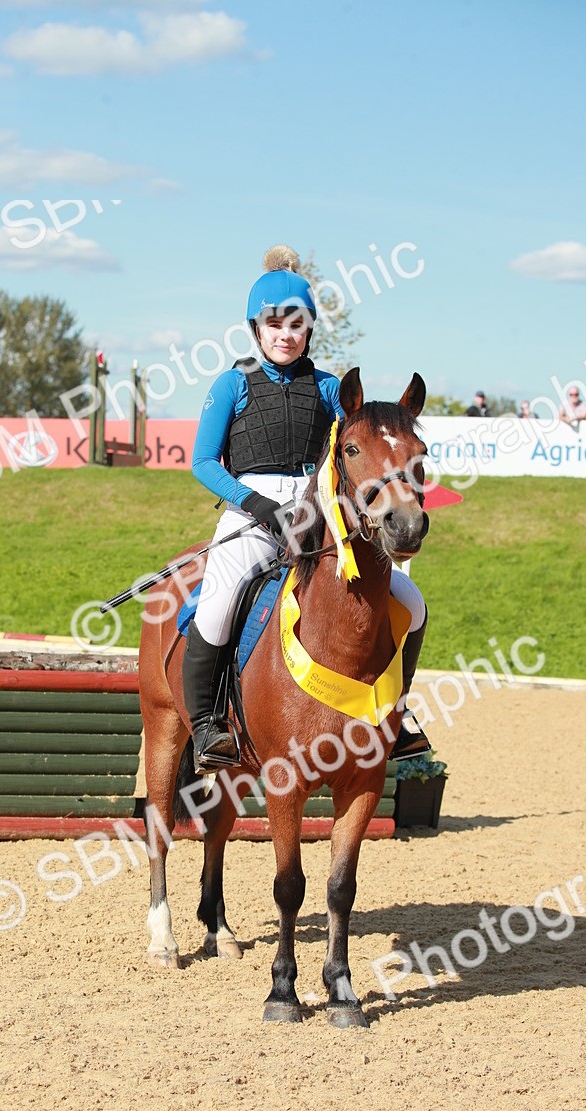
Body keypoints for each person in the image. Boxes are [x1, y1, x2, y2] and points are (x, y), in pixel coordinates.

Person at [184, 244, 430, 773]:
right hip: (250, 513)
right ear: (257, 328)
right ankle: (207, 728)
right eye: (275, 324)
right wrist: (256, 504)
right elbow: (203, 462)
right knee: (220, 601)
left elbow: (362, 439)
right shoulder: (231, 384)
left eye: (296, 324)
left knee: (412, 603)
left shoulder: (328, 389)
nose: (286, 334)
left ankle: (397, 712)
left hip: (318, 518)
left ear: (309, 329)